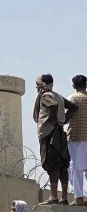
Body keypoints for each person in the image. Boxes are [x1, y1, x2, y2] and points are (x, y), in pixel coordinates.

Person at [34, 73, 77, 204]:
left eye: (37, 83)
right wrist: (63, 120)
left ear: (43, 84)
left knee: (52, 163)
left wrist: (53, 120)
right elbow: (73, 107)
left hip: (50, 134)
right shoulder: (58, 95)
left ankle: (53, 197)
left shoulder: (46, 96)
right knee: (62, 165)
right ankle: (64, 197)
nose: (36, 87)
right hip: (59, 132)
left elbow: (52, 105)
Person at [68, 74, 87, 205]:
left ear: (73, 85)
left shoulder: (72, 99)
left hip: (76, 136)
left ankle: (79, 198)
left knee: (75, 168)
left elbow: (66, 117)